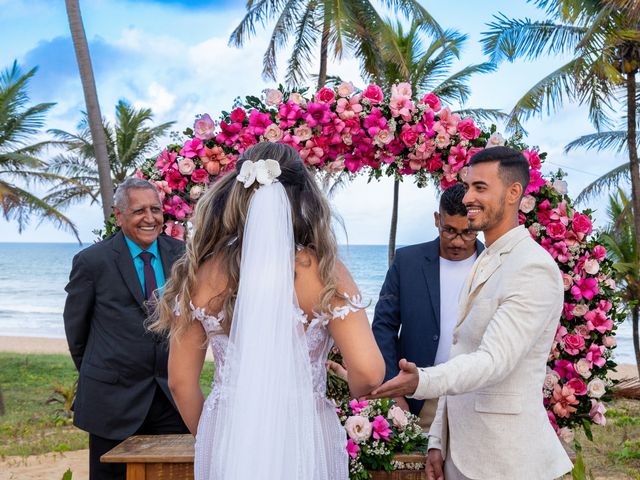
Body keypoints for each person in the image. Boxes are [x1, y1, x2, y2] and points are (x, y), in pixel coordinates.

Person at [150, 142, 385, 480]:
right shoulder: (323, 273)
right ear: (303, 197)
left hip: (228, 431)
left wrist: (215, 439)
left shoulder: (200, 274)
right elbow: (369, 370)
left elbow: (180, 382)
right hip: (303, 434)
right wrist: (352, 387)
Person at [370, 146, 573, 480]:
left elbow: (493, 361)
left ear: (513, 193)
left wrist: (422, 380)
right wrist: (438, 439)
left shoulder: (531, 267)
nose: (467, 198)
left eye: (480, 188)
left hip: (504, 460)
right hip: (462, 453)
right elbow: (461, 349)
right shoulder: (488, 260)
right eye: (468, 187)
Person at [63, 178, 188, 480]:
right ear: (119, 216)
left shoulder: (184, 256)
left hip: (171, 400)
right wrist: (106, 373)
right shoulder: (92, 262)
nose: (150, 218)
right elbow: (76, 332)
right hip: (112, 403)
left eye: (156, 209)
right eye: (139, 210)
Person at [372, 183, 483, 430]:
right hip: (417, 398)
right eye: (449, 230)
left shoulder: (495, 264)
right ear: (437, 219)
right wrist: (394, 390)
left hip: (476, 398)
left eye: (468, 233)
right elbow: (383, 327)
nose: (458, 241)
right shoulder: (407, 261)